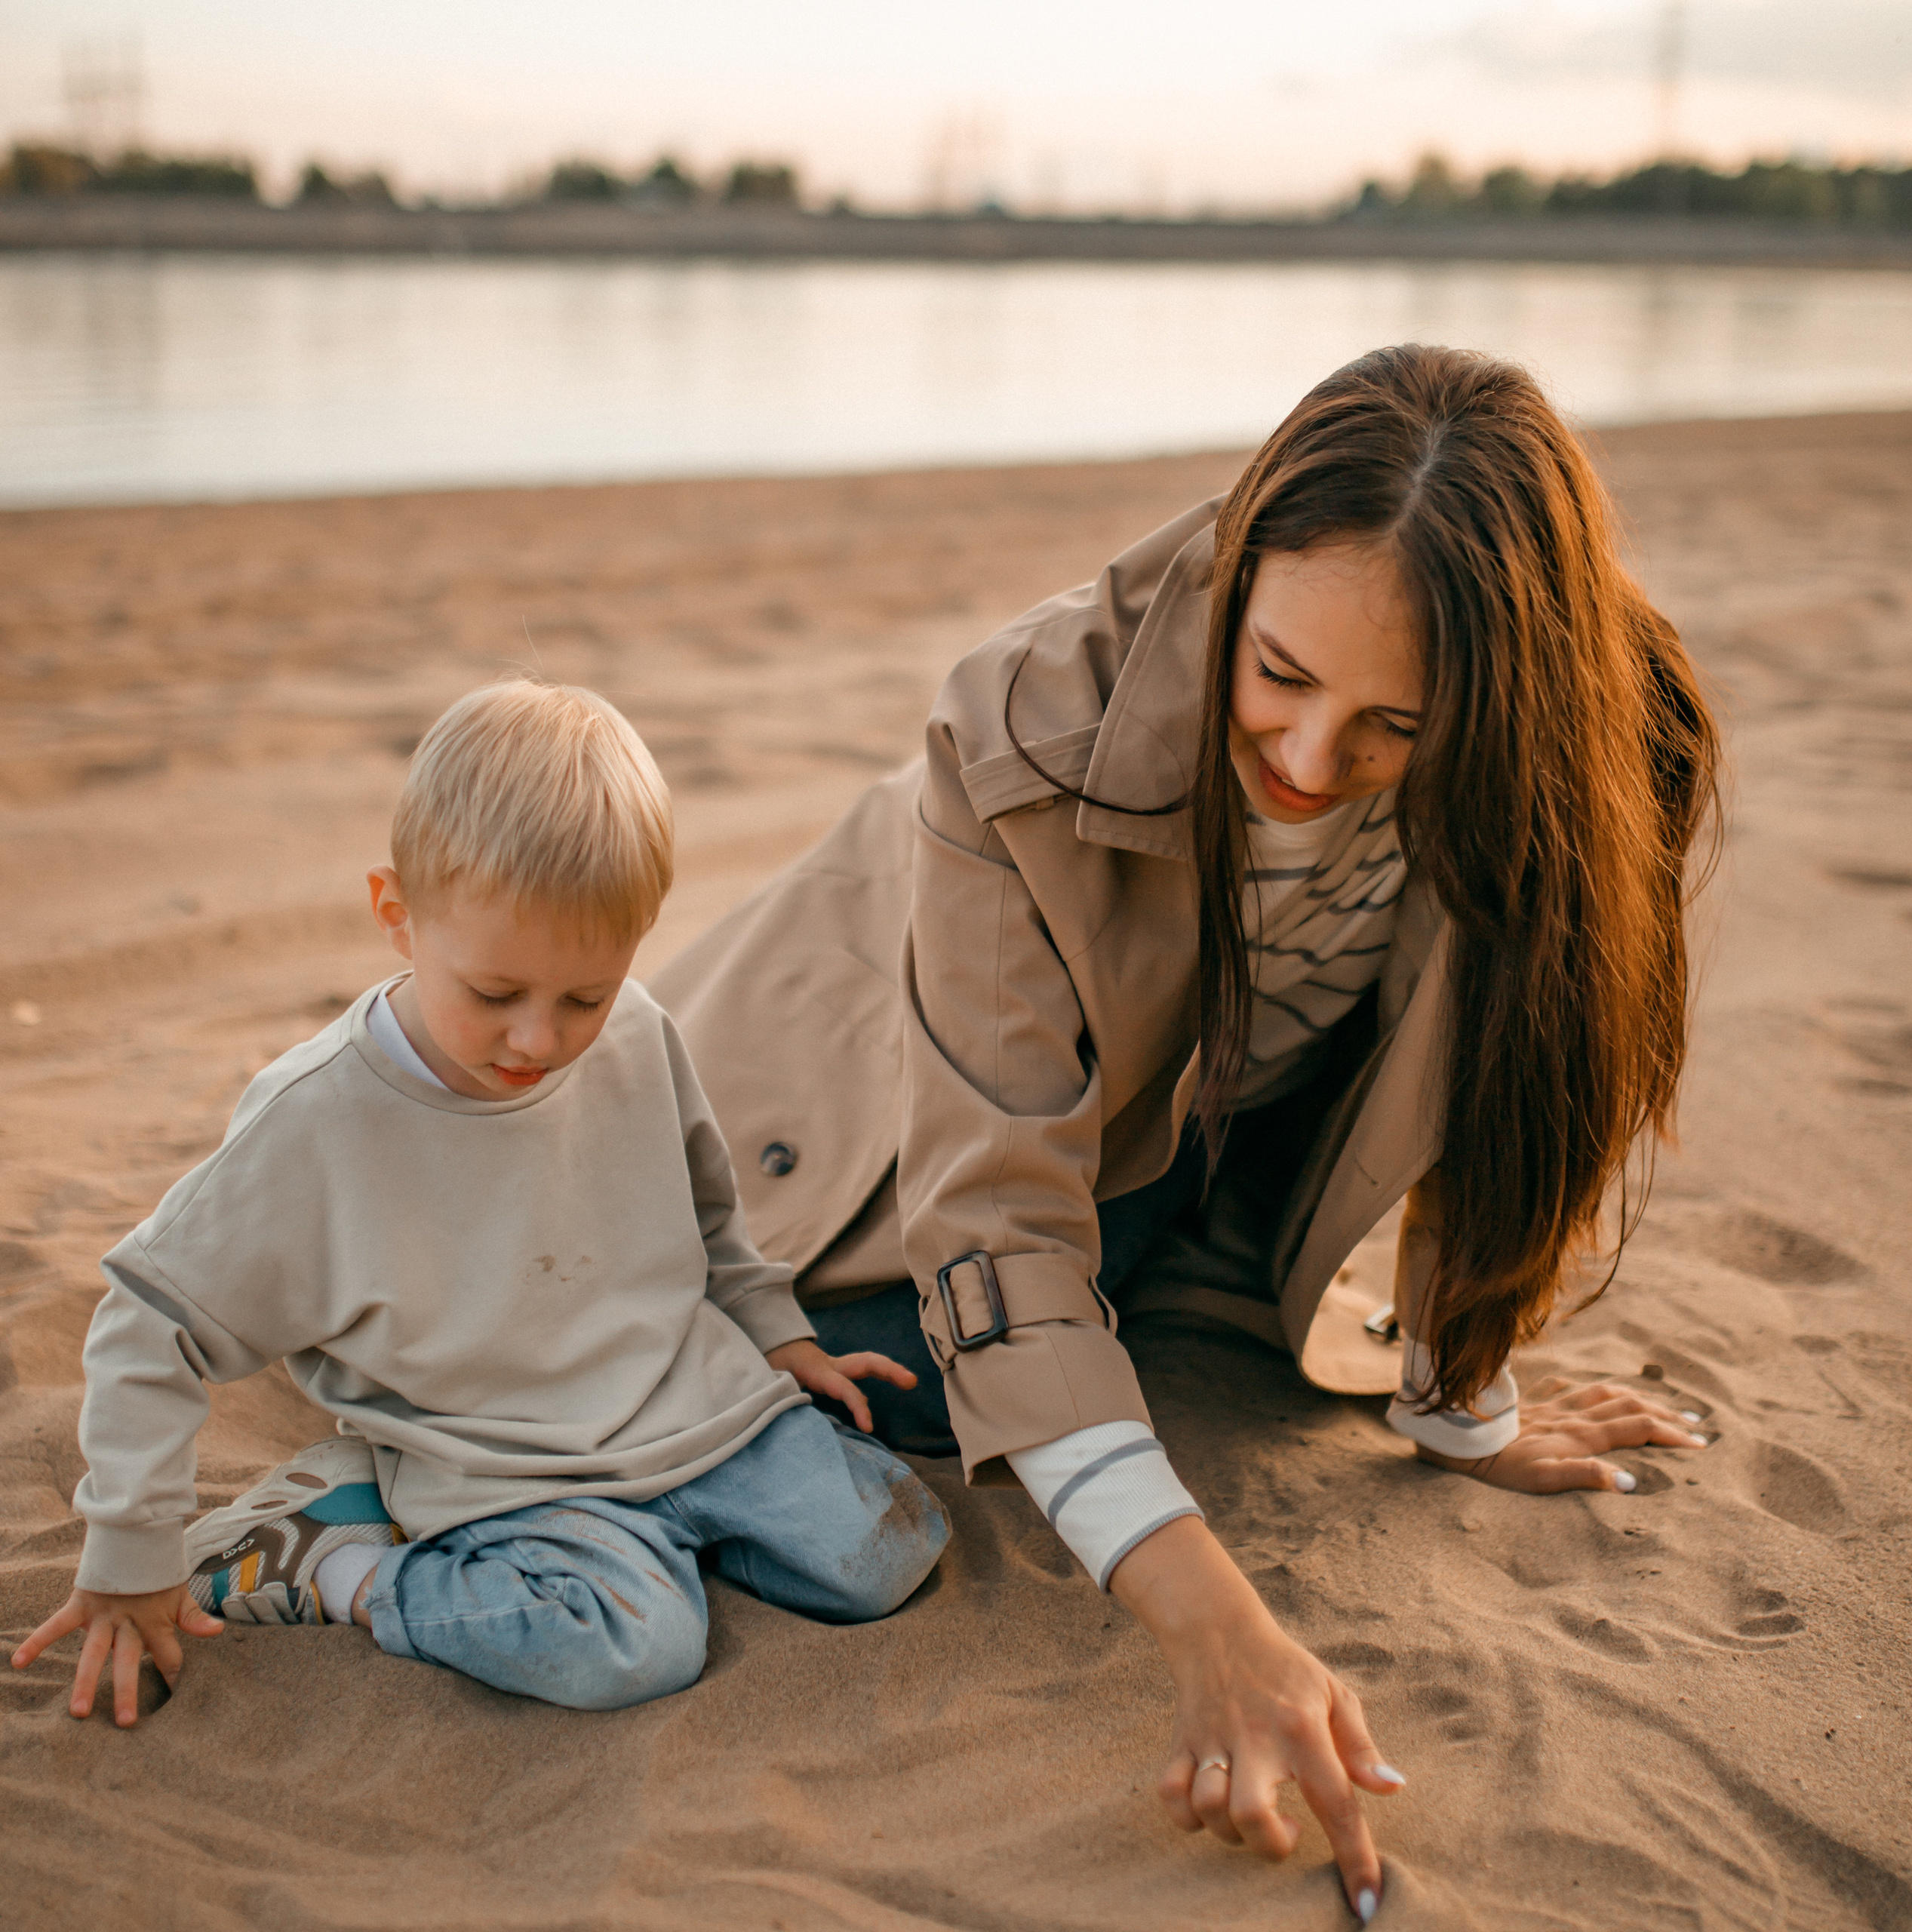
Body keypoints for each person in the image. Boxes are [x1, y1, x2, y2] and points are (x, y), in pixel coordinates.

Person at [650, 345, 1722, 1922]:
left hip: (1187, 1128)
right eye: (1277, 676)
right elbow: (996, 1229)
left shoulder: (1608, 733)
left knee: (1099, 1351)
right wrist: (1220, 1628)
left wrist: (1461, 1392)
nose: (1303, 765)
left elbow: (1518, 1067)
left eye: (1390, 727)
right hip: (848, 1134)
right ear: (1236, 580)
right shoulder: (1018, 721)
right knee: (906, 1380)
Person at [11, 678, 948, 1725]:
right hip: (502, 1461)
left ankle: (669, 1535)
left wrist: (777, 1336)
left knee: (884, 1549)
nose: (539, 1042)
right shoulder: (315, 1123)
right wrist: (131, 1546)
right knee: (633, 1649)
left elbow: (707, 1213)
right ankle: (332, 1555)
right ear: (397, 917)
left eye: (583, 996)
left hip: (688, 1399)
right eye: (496, 995)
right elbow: (152, 1321)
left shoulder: (637, 1031)